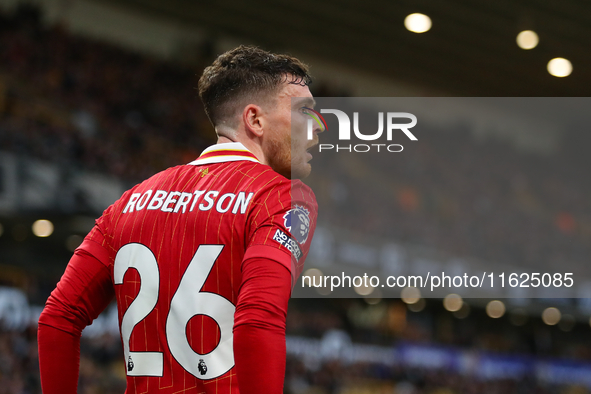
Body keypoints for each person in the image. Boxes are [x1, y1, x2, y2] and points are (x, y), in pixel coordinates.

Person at [38, 45, 322, 394]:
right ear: (255, 120)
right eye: (304, 113)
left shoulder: (129, 201)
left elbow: (57, 318)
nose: (316, 129)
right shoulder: (280, 196)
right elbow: (258, 320)